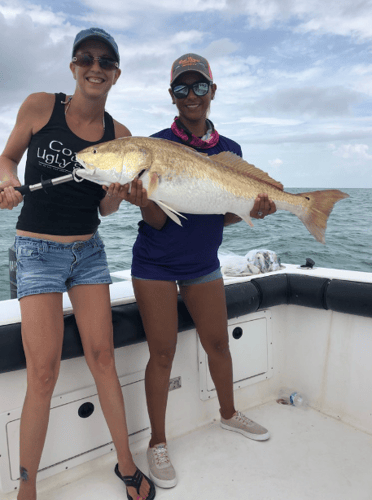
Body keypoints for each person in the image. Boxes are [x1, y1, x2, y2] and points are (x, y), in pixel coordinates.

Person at [0, 28, 155, 500]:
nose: (96, 66)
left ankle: (126, 465)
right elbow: (7, 158)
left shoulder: (120, 137)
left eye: (106, 61)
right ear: (73, 66)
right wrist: (6, 182)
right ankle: (27, 488)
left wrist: (116, 197)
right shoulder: (40, 106)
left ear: (116, 75)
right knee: (42, 373)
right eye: (86, 57)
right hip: (36, 251)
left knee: (103, 358)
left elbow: (107, 210)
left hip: (89, 252)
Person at [125, 53, 277, 489]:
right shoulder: (152, 146)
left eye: (198, 86)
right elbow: (156, 220)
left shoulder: (232, 152)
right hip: (154, 263)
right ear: (171, 96)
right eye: (181, 88)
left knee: (218, 344)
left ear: (212, 91)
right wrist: (143, 200)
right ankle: (157, 441)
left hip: (203, 264)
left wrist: (253, 212)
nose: (190, 96)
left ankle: (228, 414)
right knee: (163, 353)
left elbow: (223, 215)